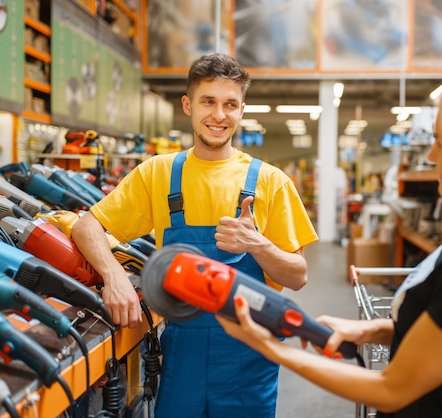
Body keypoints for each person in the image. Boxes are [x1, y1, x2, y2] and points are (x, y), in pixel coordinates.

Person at [217, 59, 442, 418]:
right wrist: (369, 330)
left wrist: (271, 349)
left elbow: (391, 388)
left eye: (441, 141)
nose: (431, 154)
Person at [71, 53, 318, 418]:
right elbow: (86, 227)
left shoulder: (270, 181)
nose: (219, 115)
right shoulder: (158, 173)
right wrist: (113, 276)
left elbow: (297, 276)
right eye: (209, 101)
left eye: (230, 104)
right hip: (181, 355)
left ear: (242, 110)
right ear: (188, 105)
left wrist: (258, 244)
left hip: (249, 359)